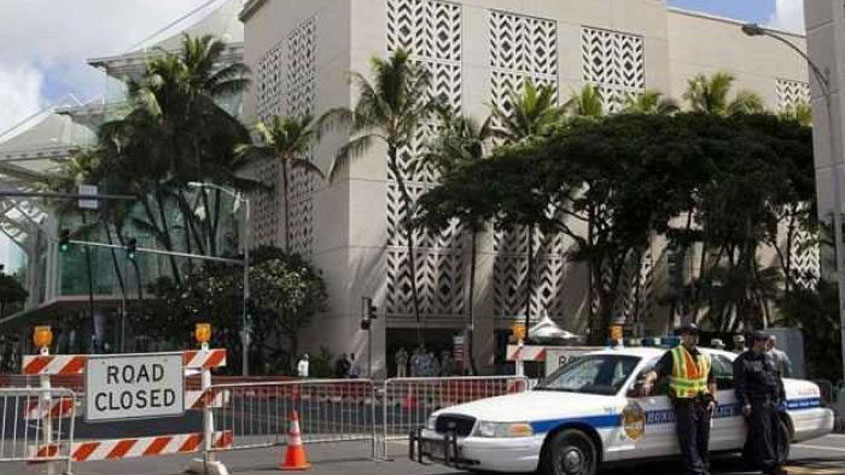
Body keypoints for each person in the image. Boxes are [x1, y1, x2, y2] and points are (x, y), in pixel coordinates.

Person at [641, 323, 716, 475]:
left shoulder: (705, 356)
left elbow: (712, 380)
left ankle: (704, 468)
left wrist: (713, 399)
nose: (693, 338)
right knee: (689, 441)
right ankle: (696, 471)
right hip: (685, 403)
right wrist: (647, 382)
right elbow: (657, 370)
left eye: (696, 335)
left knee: (703, 441)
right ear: (683, 336)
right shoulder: (673, 354)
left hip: (703, 403)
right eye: (690, 335)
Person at [733, 331, 788, 475]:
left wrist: (782, 397)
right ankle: (770, 466)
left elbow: (777, 379)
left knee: (775, 433)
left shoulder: (768, 359)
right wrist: (745, 402)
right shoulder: (743, 361)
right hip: (757, 402)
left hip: (772, 401)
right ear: (756, 342)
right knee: (763, 434)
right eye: (764, 341)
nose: (767, 344)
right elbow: (740, 385)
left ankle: (767, 461)